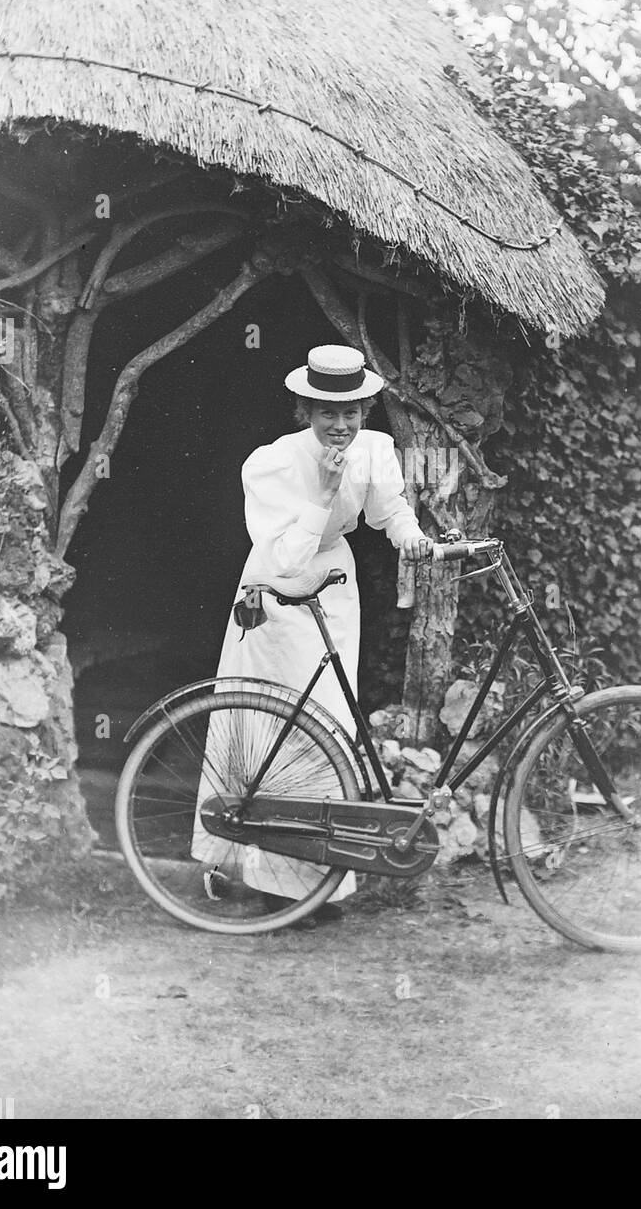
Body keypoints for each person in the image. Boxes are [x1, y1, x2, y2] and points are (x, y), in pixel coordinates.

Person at [191, 344, 431, 919]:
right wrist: (323, 492)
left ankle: (310, 880)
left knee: (326, 721)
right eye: (327, 411)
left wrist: (410, 536)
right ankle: (243, 866)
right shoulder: (271, 463)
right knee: (271, 718)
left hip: (334, 588)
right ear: (305, 408)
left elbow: (387, 510)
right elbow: (288, 554)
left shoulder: (374, 450)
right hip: (276, 594)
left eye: (351, 411)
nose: (340, 424)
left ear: (364, 410)